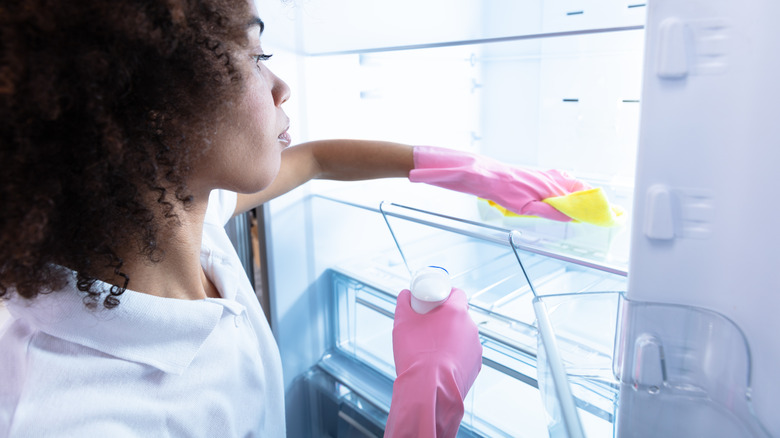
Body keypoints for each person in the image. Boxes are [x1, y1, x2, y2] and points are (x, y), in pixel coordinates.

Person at [0, 0, 587, 436]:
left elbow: (314, 159)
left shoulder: (171, 221)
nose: (281, 86)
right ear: (154, 106)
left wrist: (468, 169)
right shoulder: (90, 418)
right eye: (257, 57)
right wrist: (421, 409)